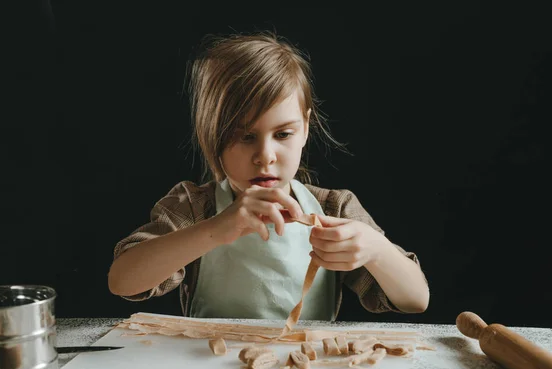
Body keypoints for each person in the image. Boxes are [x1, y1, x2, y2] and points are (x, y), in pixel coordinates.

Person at [108, 31, 429, 320]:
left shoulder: (335, 208)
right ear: (212, 136)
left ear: (305, 128)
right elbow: (122, 281)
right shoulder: (194, 206)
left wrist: (375, 249)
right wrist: (217, 229)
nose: (265, 156)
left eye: (283, 134)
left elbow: (416, 300)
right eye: (246, 137)